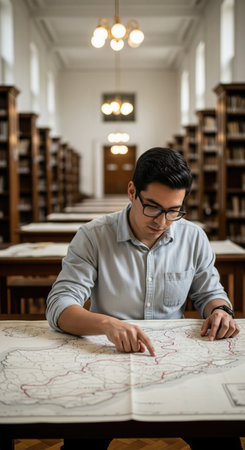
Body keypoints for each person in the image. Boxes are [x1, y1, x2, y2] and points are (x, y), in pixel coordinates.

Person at [46, 147, 241, 450]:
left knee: (222, 443)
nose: (163, 221)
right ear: (132, 191)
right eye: (152, 207)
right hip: (107, 360)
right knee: (80, 444)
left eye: (174, 210)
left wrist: (220, 311)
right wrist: (107, 324)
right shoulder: (93, 236)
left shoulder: (193, 237)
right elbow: (59, 305)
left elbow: (210, 293)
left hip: (174, 360)